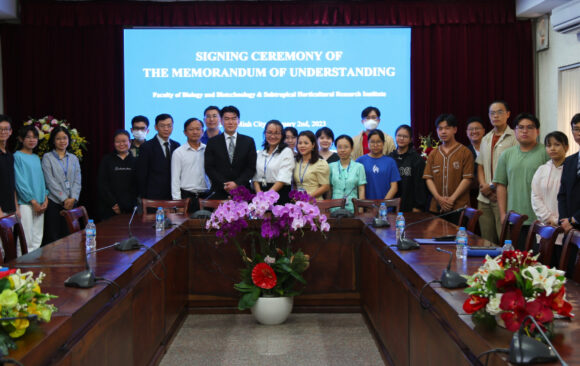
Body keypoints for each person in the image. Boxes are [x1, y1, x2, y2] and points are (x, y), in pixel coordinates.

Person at [494, 113, 549, 249]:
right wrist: (502, 214)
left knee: (539, 262)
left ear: (537, 131)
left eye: (530, 127)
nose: (525, 131)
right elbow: (501, 185)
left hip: (541, 220)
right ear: (515, 131)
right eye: (521, 127)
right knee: (518, 260)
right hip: (515, 219)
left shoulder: (546, 152)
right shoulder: (506, 155)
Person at [476, 101, 518, 243]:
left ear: (508, 114)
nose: (495, 116)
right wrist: (484, 187)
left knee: (504, 239)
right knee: (486, 241)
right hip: (484, 197)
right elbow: (480, 165)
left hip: (503, 196)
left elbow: (513, 168)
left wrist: (492, 186)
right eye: (492, 113)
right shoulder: (485, 139)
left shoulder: (514, 137)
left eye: (499, 112)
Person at [423, 114, 473, 224]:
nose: (443, 132)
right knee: (435, 239)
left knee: (458, 239)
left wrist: (451, 199)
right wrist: (439, 198)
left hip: (459, 207)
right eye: (440, 129)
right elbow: (428, 178)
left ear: (455, 129)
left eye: (447, 128)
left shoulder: (465, 152)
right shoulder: (433, 154)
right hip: (436, 207)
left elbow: (467, 179)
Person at [205, 106, 257, 199]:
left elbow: (251, 168)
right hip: (219, 191)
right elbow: (209, 167)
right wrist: (225, 184)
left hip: (243, 191)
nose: (230, 122)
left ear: (239, 121)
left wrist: (237, 183)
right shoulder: (212, 142)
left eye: (234, 119)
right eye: (227, 119)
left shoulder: (248, 141)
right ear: (221, 121)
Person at [42, 125, 82, 245]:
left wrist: (73, 198)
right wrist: (64, 199)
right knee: (55, 238)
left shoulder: (73, 158)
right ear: (53, 141)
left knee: (71, 236)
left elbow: (77, 179)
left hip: (72, 202)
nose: (62, 141)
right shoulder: (47, 157)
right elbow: (49, 181)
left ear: (68, 140)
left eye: (64, 138)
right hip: (55, 202)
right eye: (58, 138)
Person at [531, 131, 568, 256]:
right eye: (548, 145)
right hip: (545, 226)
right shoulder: (542, 169)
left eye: (557, 144)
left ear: (566, 147)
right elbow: (535, 196)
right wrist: (548, 218)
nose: (552, 148)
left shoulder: (571, 169)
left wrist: (558, 221)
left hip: (566, 226)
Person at [14, 126, 48, 252]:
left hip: (40, 202)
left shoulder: (35, 157)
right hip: (26, 203)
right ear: (21, 139)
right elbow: (19, 182)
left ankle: (33, 268)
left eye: (34, 137)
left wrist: (45, 198)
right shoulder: (17, 156)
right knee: (25, 239)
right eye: (28, 137)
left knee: (37, 238)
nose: (32, 140)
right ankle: (21, 268)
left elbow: (41, 180)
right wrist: (32, 201)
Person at [136, 113, 180, 200]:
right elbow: (142, 175)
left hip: (173, 195)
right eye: (162, 126)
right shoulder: (146, 147)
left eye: (169, 126)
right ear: (156, 127)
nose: (166, 129)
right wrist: (144, 196)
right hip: (153, 196)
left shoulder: (176, 145)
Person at [171, 118, 210, 213]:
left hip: (206, 197)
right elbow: (175, 179)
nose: (195, 132)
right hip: (187, 197)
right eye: (191, 129)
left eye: (198, 129)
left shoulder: (208, 150)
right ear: (185, 132)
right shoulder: (178, 152)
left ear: (202, 131)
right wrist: (178, 203)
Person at [97, 130, 138, 221]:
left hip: (130, 208)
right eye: (118, 142)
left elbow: (136, 185)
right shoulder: (106, 160)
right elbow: (102, 184)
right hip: (109, 207)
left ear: (130, 142)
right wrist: (113, 204)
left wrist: (128, 204)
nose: (121, 144)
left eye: (124, 141)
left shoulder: (135, 161)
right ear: (114, 143)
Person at [558, 113, 580, 275]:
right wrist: (565, 220)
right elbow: (562, 194)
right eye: (576, 129)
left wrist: (575, 220)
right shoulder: (570, 160)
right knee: (570, 275)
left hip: (576, 222)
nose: (579, 133)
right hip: (570, 229)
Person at [252, 120, 295, 204]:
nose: (272, 136)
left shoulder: (286, 152)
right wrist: (259, 195)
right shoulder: (260, 153)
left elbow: (283, 179)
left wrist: (267, 197)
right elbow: (255, 177)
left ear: (282, 135)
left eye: (276, 133)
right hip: (260, 195)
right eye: (269, 132)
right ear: (265, 133)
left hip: (279, 194)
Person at [389, 125, 426, 212]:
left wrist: (418, 206)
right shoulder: (390, 158)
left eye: (405, 136)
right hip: (391, 206)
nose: (401, 138)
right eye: (399, 135)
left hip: (410, 206)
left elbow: (420, 185)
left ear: (410, 139)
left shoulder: (417, 160)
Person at [356, 129, 400, 200]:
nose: (375, 145)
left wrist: (383, 204)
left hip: (385, 207)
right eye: (372, 142)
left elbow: (394, 187)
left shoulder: (390, 162)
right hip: (366, 206)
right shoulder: (360, 161)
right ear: (368, 143)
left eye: (378, 142)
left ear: (383, 143)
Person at [329, 135, 366, 213]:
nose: (342, 150)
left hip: (353, 208)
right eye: (339, 147)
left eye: (346, 147)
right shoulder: (331, 166)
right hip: (334, 208)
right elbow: (329, 189)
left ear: (352, 149)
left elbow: (361, 189)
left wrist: (361, 209)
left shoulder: (359, 167)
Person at [293, 130, 330, 200]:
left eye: (306, 143)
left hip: (314, 203)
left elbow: (325, 187)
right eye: (300, 143)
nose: (302, 146)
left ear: (313, 145)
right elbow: (295, 184)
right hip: (298, 204)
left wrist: (307, 197)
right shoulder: (295, 162)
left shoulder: (320, 163)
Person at [466, 116, 485, 208]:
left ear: (483, 131)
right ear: (467, 132)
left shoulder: (491, 149)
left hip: (493, 193)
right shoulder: (464, 152)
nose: (474, 131)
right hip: (472, 196)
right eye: (471, 129)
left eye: (477, 128)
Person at [0, 115, 17, 217]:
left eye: (6, 129)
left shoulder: (10, 155)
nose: (3, 132)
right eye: (0, 129)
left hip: (10, 209)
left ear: (10, 131)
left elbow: (12, 184)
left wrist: (16, 208)